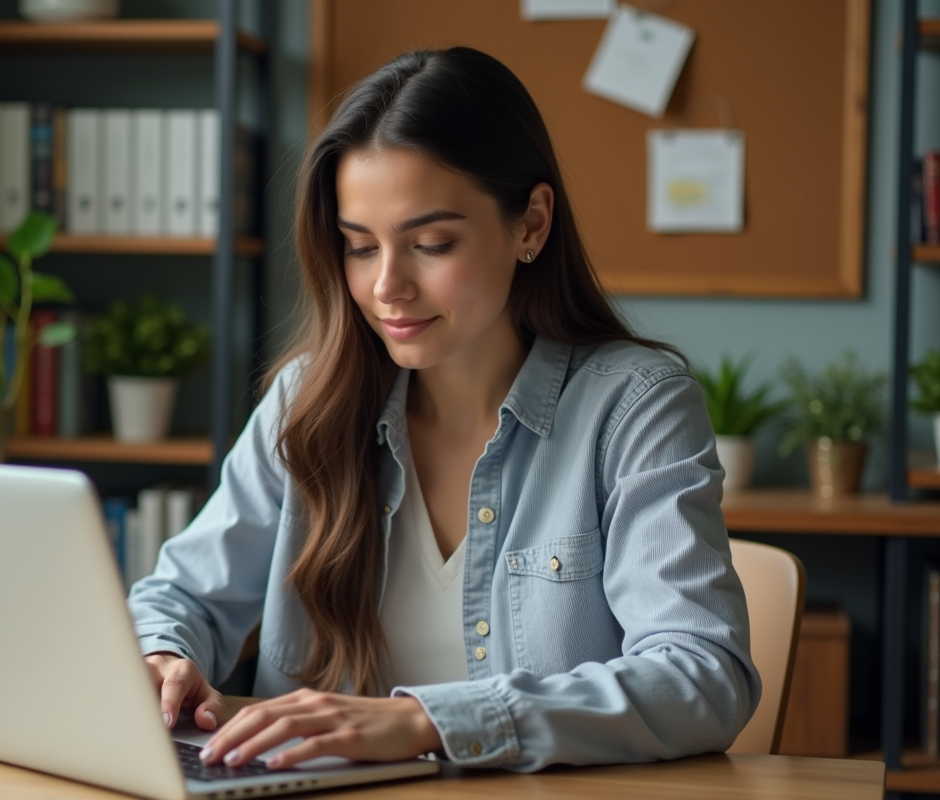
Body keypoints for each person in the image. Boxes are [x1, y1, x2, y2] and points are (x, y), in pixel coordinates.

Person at [128, 46, 759, 773]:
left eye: (432, 244)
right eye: (360, 247)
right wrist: (164, 655)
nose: (387, 286)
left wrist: (427, 720)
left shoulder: (634, 407)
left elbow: (702, 676)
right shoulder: (308, 400)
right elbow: (180, 595)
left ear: (531, 224)